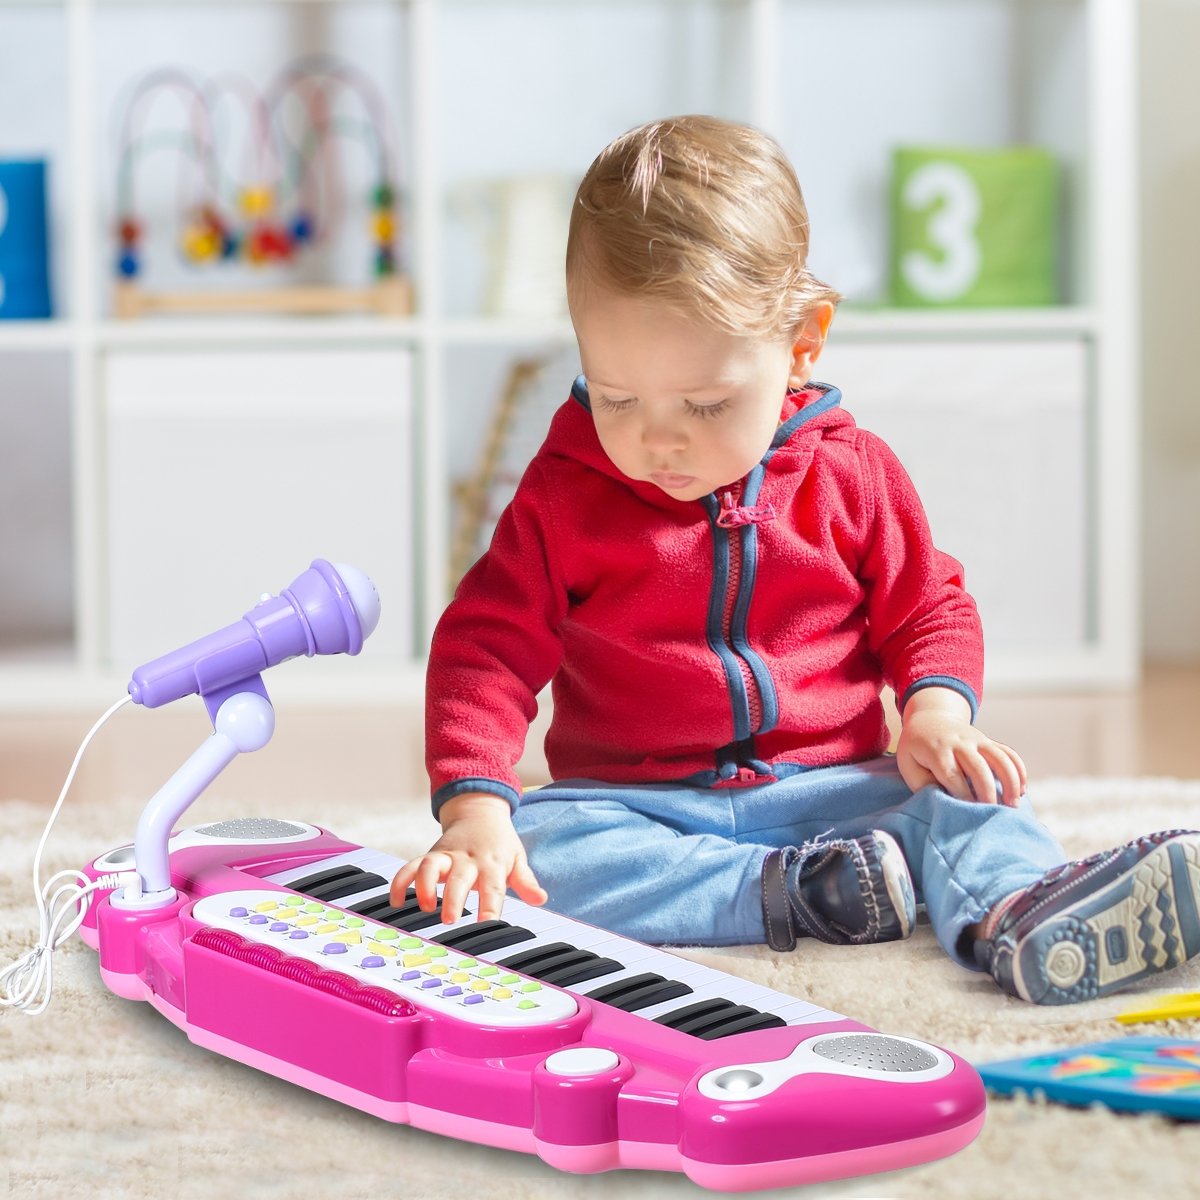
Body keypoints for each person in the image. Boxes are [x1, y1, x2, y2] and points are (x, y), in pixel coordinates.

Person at [391, 114, 1200, 1005]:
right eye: (615, 396)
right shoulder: (562, 497)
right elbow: (486, 650)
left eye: (703, 404)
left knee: (972, 799)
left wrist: (934, 712)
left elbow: (928, 604)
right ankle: (792, 896)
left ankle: (1021, 914)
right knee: (539, 855)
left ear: (803, 343)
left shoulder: (852, 475)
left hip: (842, 793)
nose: (656, 440)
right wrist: (475, 814)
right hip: (643, 806)